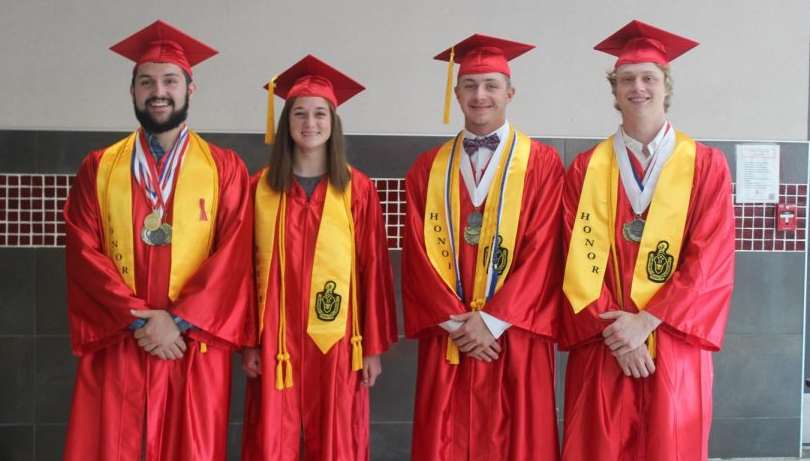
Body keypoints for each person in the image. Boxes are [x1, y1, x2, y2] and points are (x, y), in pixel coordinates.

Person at [63, 20, 254, 461]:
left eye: (170, 80)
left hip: (192, 343)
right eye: (146, 82)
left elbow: (235, 255)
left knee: (191, 447)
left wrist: (178, 321)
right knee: (110, 446)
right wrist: (141, 321)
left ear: (191, 88)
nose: (158, 91)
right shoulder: (100, 167)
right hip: (121, 338)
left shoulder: (224, 169)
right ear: (132, 91)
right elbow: (83, 251)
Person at [560, 20, 735, 461]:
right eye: (626, 80)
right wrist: (620, 333)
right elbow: (573, 256)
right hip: (606, 341)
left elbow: (709, 260)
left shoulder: (706, 165)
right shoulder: (585, 167)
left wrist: (647, 322)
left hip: (673, 342)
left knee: (671, 446)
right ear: (615, 90)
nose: (638, 87)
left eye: (648, 78)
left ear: (665, 86)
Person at [402, 34, 564, 461]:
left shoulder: (543, 163)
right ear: (456, 94)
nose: (480, 95)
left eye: (491, 85)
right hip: (450, 334)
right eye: (470, 86)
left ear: (510, 93)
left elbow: (546, 249)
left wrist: (493, 322)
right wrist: (459, 325)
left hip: (515, 334)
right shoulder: (427, 168)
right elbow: (417, 256)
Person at [241, 54, 398, 461]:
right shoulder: (258, 189)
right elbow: (242, 272)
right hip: (276, 337)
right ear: (286, 123)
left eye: (319, 114)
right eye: (299, 114)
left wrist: (373, 347)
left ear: (333, 123)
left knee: (337, 435)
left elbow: (374, 270)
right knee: (273, 436)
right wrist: (248, 341)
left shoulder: (357, 190)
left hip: (340, 338)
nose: (309, 123)